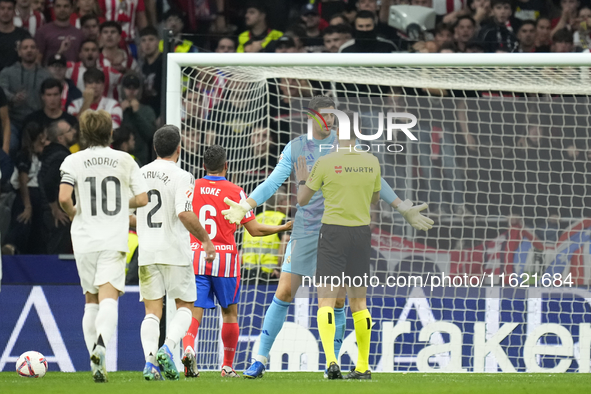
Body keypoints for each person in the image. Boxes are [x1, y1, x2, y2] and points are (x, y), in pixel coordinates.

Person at [222, 96, 433, 379]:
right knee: (284, 291)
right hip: (306, 230)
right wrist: (247, 204)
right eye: (325, 116)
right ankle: (259, 359)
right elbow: (274, 181)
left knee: (338, 301)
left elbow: (373, 177)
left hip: (337, 229)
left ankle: (331, 364)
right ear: (311, 116)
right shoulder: (296, 147)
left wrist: (401, 206)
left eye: (333, 116)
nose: (330, 120)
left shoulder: (345, 143)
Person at [181, 144, 292, 379]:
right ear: (226, 166)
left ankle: (189, 348)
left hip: (197, 255)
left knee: (194, 309)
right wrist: (282, 227)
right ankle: (228, 366)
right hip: (225, 260)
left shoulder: (192, 187)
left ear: (203, 166)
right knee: (229, 313)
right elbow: (254, 230)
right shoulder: (235, 192)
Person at [58, 109, 148, 382]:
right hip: (113, 237)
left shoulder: (72, 160)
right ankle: (101, 346)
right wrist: (119, 201)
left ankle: (95, 362)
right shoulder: (125, 160)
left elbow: (63, 198)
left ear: (83, 134)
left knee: (90, 298)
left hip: (83, 238)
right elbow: (143, 199)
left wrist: (76, 212)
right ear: (110, 133)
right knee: (110, 298)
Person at [296, 109, 381, 379]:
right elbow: (376, 199)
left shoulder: (326, 161)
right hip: (361, 233)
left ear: (336, 135)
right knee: (359, 302)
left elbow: (302, 200)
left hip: (333, 233)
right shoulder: (372, 161)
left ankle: (332, 362)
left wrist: (302, 179)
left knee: (326, 301)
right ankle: (364, 366)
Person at [135, 125, 215, 381]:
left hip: (147, 251)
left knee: (151, 311)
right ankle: (167, 348)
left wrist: (146, 226)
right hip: (175, 251)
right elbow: (183, 212)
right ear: (179, 149)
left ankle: (149, 362)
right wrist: (206, 240)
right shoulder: (183, 176)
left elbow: (129, 212)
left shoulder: (139, 174)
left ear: (155, 148)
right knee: (185, 306)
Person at [0, 37, 51, 153]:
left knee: (39, 148)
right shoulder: (7, 72)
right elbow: (1, 90)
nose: (29, 50)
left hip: (37, 120)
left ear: (38, 51)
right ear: (19, 52)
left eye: (33, 47)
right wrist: (12, 97)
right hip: (12, 120)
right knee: (11, 145)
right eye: (25, 48)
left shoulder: (46, 75)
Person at [3, 122, 46, 254]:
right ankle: (9, 247)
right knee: (22, 224)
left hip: (34, 196)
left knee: (33, 231)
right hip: (25, 196)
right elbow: (22, 179)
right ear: (40, 136)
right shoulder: (25, 154)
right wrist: (27, 205)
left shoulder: (34, 155)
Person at [39, 119, 75, 253]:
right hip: (59, 215)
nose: (74, 132)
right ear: (60, 138)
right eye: (69, 131)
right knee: (59, 252)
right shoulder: (61, 156)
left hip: (48, 211)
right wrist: (55, 209)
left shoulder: (49, 153)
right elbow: (48, 182)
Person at [242, 185, 290, 282]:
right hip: (271, 273)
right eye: (286, 199)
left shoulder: (254, 219)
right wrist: (278, 268)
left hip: (248, 273)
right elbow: (285, 240)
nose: (289, 203)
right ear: (280, 203)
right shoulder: (283, 219)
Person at [119, 72, 156, 165]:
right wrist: (120, 112)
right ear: (122, 89)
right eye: (128, 87)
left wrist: (137, 113)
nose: (131, 91)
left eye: (134, 88)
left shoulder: (147, 110)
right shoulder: (116, 109)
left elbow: (150, 135)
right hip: (118, 156)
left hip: (141, 159)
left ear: (139, 90)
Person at [0, 0, 31, 72]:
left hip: (17, 79)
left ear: (14, 11)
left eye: (9, 9)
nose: (5, 12)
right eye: (2, 8)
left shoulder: (23, 34)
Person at [139, 27, 161, 118]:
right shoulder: (144, 66)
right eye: (143, 40)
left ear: (158, 42)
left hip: (161, 113)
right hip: (148, 113)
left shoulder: (164, 62)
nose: (147, 44)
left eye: (151, 40)